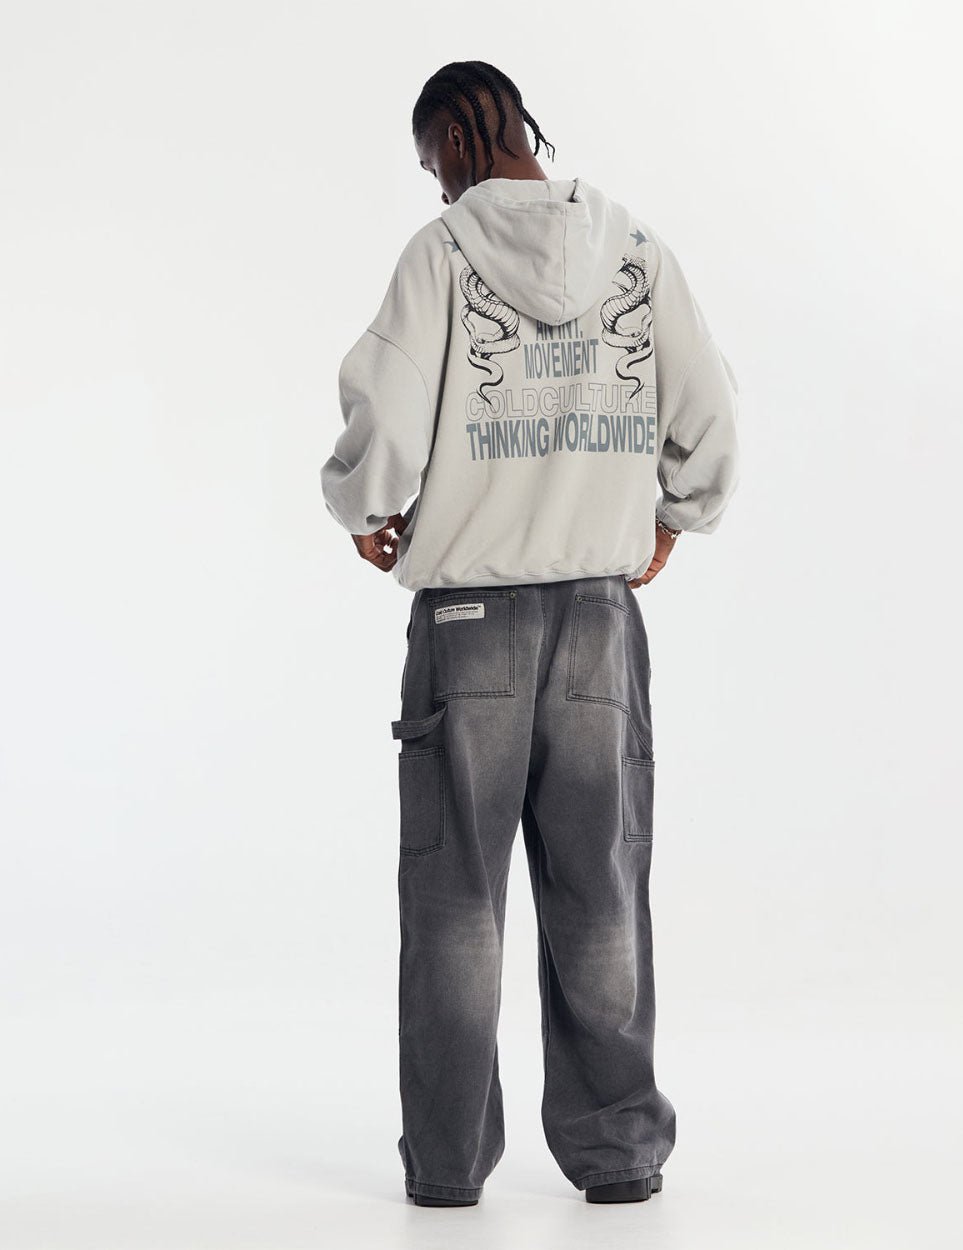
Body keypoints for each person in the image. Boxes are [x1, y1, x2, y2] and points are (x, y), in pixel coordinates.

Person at [320, 59, 740, 1208]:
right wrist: (672, 516)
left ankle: (450, 1169)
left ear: (459, 140)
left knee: (456, 902)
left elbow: (385, 424)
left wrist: (363, 507)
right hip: (599, 616)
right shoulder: (638, 254)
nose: (436, 187)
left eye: (432, 163)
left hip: (469, 625)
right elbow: (710, 416)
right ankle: (618, 1157)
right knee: (600, 890)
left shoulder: (441, 256)